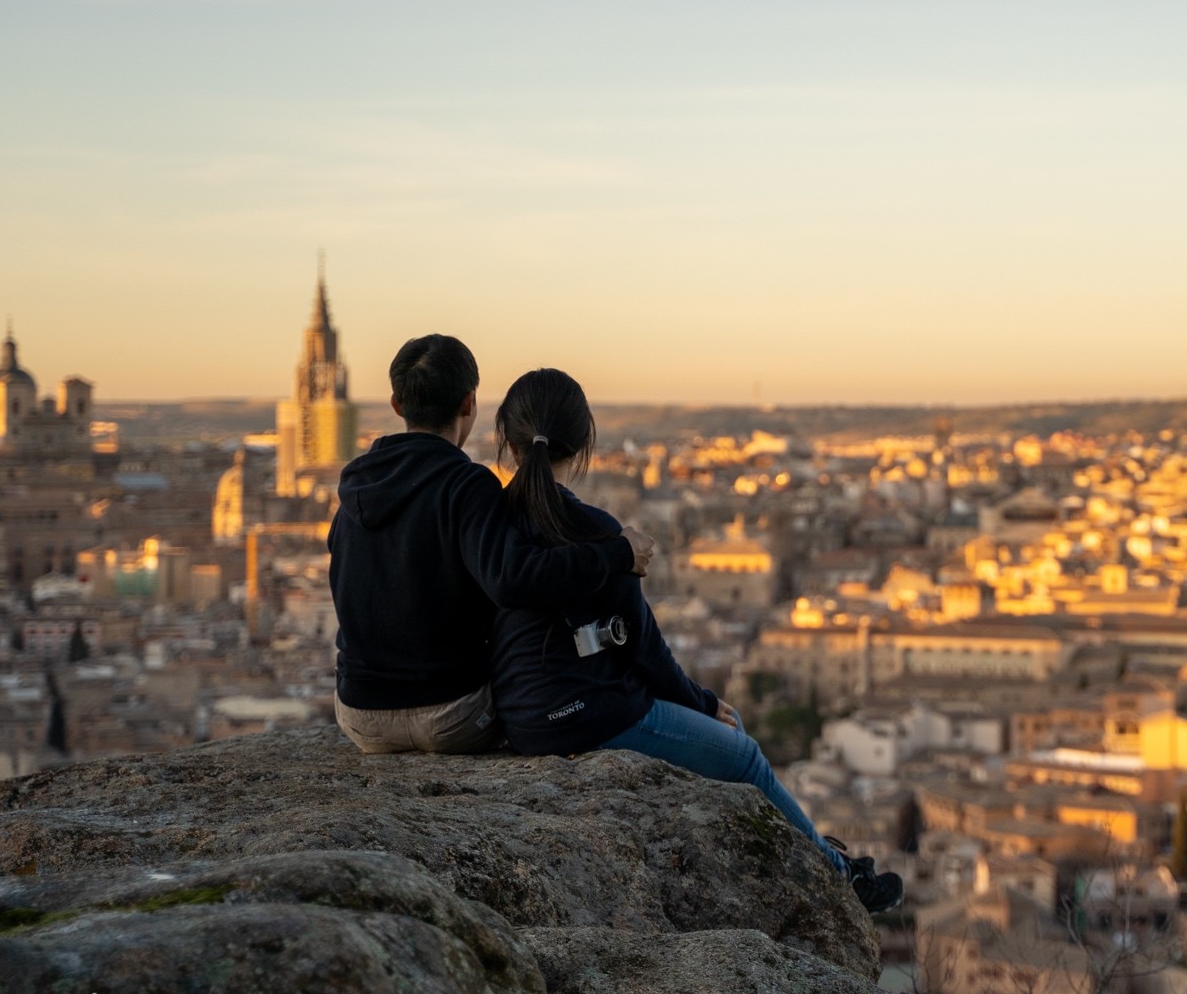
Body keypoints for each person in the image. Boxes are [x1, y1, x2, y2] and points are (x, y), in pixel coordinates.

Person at [486, 367, 903, 914]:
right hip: (588, 715)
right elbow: (643, 646)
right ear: (584, 440)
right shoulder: (598, 530)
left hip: (519, 716)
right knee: (746, 756)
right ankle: (839, 875)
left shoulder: (489, 526)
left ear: (507, 439)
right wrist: (704, 702)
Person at [329, 335, 650, 754]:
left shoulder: (357, 487)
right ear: (469, 404)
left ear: (396, 405)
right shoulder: (466, 486)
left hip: (359, 716)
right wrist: (618, 554)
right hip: (451, 717)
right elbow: (513, 579)